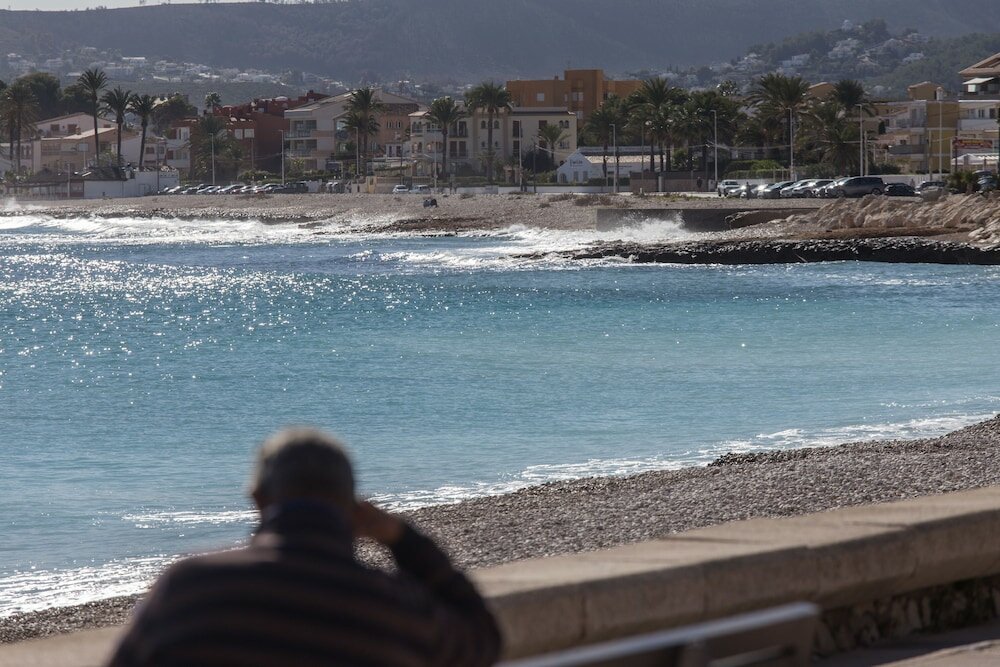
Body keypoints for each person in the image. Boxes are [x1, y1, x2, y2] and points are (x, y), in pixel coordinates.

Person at [107, 428, 501, 667]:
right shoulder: (393, 607)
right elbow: (482, 639)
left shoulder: (189, 589)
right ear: (355, 510)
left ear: (258, 498)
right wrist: (403, 539)